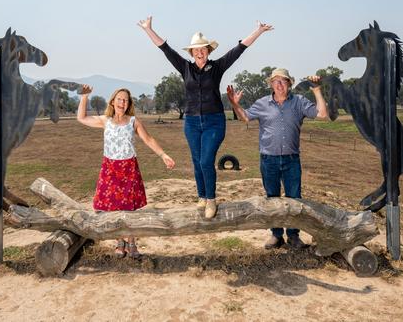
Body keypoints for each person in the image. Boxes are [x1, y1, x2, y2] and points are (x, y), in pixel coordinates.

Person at [138, 16, 273, 219]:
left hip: (214, 122)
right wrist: (149, 29)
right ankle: (201, 195)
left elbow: (239, 50)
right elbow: (165, 49)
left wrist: (258, 31)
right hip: (192, 122)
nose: (200, 52)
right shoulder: (185, 68)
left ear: (208, 51)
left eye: (203, 49)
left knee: (206, 160)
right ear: (191, 53)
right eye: (196, 50)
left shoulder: (217, 67)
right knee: (196, 160)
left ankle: (211, 199)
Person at [227, 68, 328, 249]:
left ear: (290, 84)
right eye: (276, 81)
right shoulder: (262, 103)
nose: (280, 84)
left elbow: (321, 114)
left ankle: (293, 236)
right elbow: (245, 117)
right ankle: (276, 235)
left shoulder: (299, 102)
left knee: (294, 199)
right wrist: (235, 104)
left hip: (291, 159)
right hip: (269, 160)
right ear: (271, 84)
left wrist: (316, 90)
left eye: (283, 81)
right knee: (272, 198)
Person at [77, 84, 175, 258]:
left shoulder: (133, 121)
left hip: (128, 168)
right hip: (110, 169)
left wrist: (163, 155)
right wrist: (84, 97)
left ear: (128, 104)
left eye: (126, 100)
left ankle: (132, 243)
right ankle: (120, 242)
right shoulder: (104, 120)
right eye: (119, 99)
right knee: (114, 209)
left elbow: (149, 139)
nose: (122, 102)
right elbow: (82, 118)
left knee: (129, 209)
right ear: (113, 101)